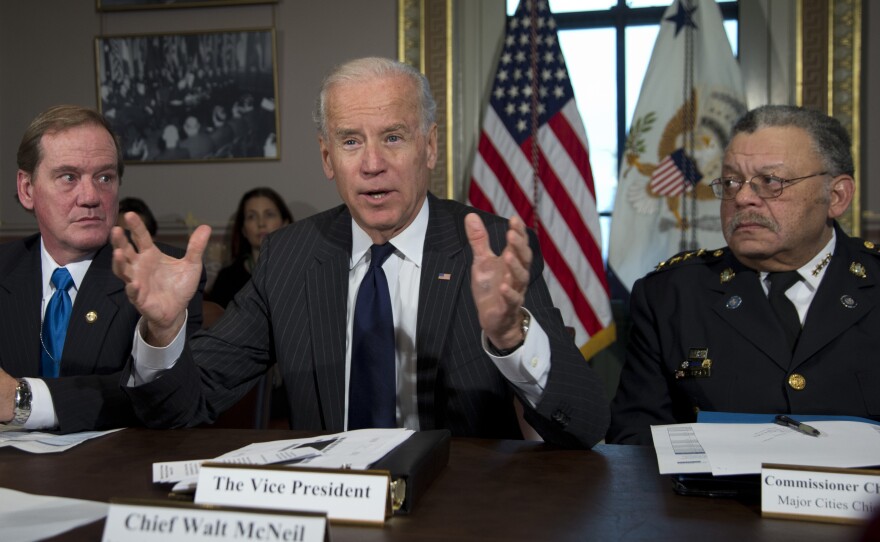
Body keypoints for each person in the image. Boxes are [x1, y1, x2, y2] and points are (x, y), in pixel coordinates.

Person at [112, 57, 610, 448]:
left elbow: (585, 424)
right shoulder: (289, 255)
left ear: (430, 148)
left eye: (393, 137)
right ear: (328, 158)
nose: (373, 164)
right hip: (332, 510)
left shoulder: (491, 248)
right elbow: (178, 408)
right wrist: (162, 331)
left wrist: (510, 335)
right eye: (351, 142)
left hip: (461, 510)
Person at [607, 105, 877, 445]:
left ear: (836, 196)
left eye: (770, 182)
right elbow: (635, 439)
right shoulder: (672, 295)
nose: (743, 198)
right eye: (732, 182)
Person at [0, 105, 205, 433]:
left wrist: (20, 399)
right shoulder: (6, 268)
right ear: (27, 189)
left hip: (109, 472)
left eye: (105, 177)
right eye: (69, 177)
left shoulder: (161, 275)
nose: (91, 197)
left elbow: (164, 405)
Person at [207, 187, 293, 308]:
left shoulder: (299, 271)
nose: (261, 223)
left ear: (285, 223)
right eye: (252, 217)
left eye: (269, 215)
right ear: (243, 230)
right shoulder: (227, 279)